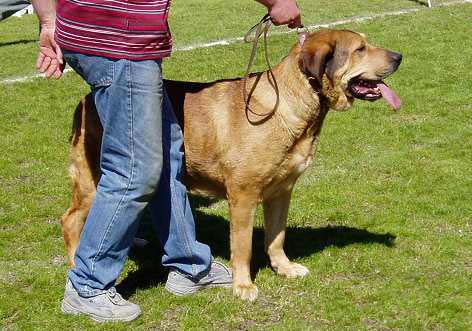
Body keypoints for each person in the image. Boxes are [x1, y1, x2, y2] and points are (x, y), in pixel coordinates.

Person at [31, 0, 301, 323]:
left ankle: (188, 264)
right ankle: (87, 284)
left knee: (168, 154)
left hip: (104, 33)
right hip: (121, 41)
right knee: (135, 169)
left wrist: (49, 22)